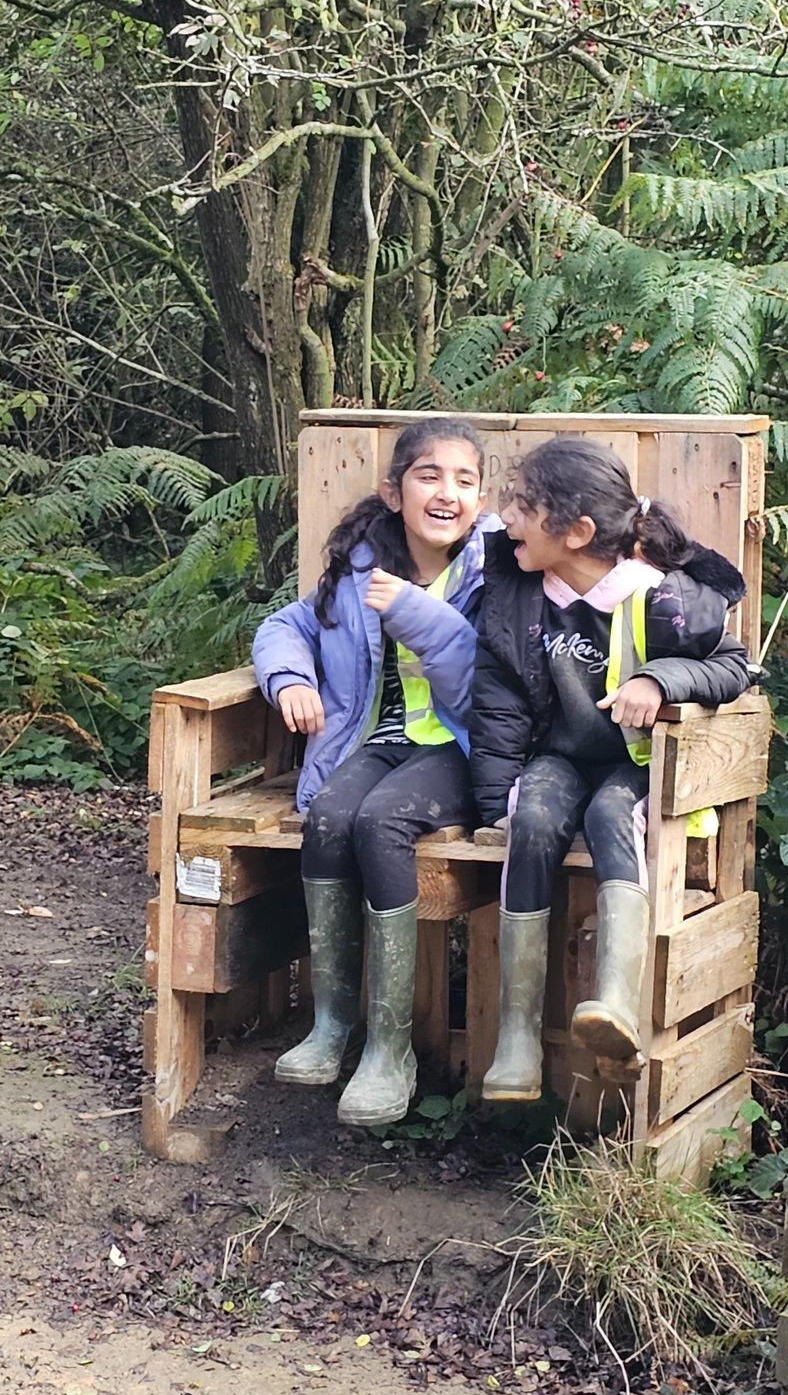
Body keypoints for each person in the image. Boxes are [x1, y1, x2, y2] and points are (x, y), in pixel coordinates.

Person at [468, 434, 750, 1098]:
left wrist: (658, 679)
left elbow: (732, 667)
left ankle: (617, 1005)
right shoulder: (521, 594)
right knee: (532, 817)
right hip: (557, 758)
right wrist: (492, 802)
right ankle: (516, 1040)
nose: (506, 518)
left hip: (634, 765)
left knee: (609, 816)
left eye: (523, 506)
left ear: (577, 532)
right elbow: (498, 697)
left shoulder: (658, 598)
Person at [253, 419, 496, 1126]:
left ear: (480, 500)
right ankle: (332, 1026)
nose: (446, 493)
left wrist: (416, 613)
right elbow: (285, 627)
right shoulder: (359, 568)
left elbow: (484, 689)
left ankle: (391, 1050)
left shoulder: (496, 573)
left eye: (464, 480)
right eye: (429, 476)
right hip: (378, 740)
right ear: (394, 492)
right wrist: (291, 680)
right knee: (330, 816)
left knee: (381, 820)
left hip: (463, 750)